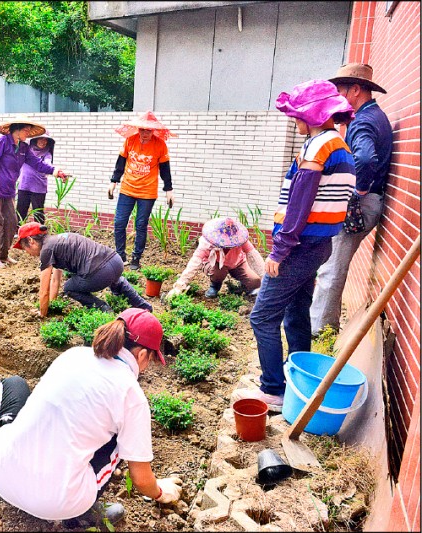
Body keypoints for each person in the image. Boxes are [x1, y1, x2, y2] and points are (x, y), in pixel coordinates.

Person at [0, 309, 183, 527]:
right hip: (55, 504)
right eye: (151, 360)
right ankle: (80, 516)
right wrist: (162, 492)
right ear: (142, 355)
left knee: (12, 385)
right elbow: (141, 479)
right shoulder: (131, 395)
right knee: (123, 441)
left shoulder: (73, 355)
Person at [233, 80, 355, 410]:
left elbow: (301, 203)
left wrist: (280, 250)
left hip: (299, 247)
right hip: (318, 245)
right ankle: (299, 377)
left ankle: (273, 390)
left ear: (313, 115)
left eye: (297, 115)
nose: (294, 121)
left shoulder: (318, 147)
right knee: (297, 313)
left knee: (262, 318)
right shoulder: (338, 146)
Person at [310, 64, 393, 335]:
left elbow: (366, 159)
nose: (337, 97)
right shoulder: (371, 116)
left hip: (362, 204)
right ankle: (324, 325)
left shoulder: (364, 121)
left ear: (356, 90)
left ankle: (320, 331)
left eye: (340, 91)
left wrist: (356, 192)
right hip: (369, 201)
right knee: (331, 266)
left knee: (331, 269)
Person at [13, 222, 153, 316]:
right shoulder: (57, 240)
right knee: (117, 281)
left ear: (31, 241)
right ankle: (144, 306)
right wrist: (53, 304)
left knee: (69, 287)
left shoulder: (46, 250)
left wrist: (42, 314)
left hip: (101, 272)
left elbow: (44, 291)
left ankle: (103, 308)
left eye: (25, 248)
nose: (27, 253)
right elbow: (55, 280)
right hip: (116, 262)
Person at [0, 116, 68, 268]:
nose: (28, 134)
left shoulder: (23, 147)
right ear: (16, 130)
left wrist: (56, 171)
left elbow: (37, 163)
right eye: (26, 130)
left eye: (29, 131)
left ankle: (4, 255)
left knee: (11, 223)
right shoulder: (2, 142)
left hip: (8, 191)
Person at [109, 111, 176, 270]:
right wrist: (113, 182)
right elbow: (120, 163)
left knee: (140, 224)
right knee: (119, 222)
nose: (145, 133)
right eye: (142, 129)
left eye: (148, 130)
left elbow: (165, 169)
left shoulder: (160, 145)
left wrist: (169, 190)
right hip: (127, 188)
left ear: (153, 131)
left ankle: (136, 258)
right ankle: (120, 255)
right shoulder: (130, 141)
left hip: (147, 191)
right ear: (138, 129)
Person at [167, 217, 265, 299]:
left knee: (255, 282)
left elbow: (254, 256)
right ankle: (215, 286)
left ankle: (242, 287)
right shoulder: (207, 243)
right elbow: (195, 262)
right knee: (219, 272)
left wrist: (266, 279)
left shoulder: (241, 240)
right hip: (216, 264)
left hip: (237, 262)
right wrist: (179, 286)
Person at [17, 130, 59, 225]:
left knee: (38, 213)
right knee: (20, 211)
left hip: (39, 188)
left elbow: (46, 165)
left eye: (45, 140)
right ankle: (18, 232)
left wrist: (56, 171)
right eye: (41, 139)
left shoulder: (47, 154)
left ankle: (39, 234)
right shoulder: (26, 151)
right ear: (35, 140)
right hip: (24, 185)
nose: (43, 142)